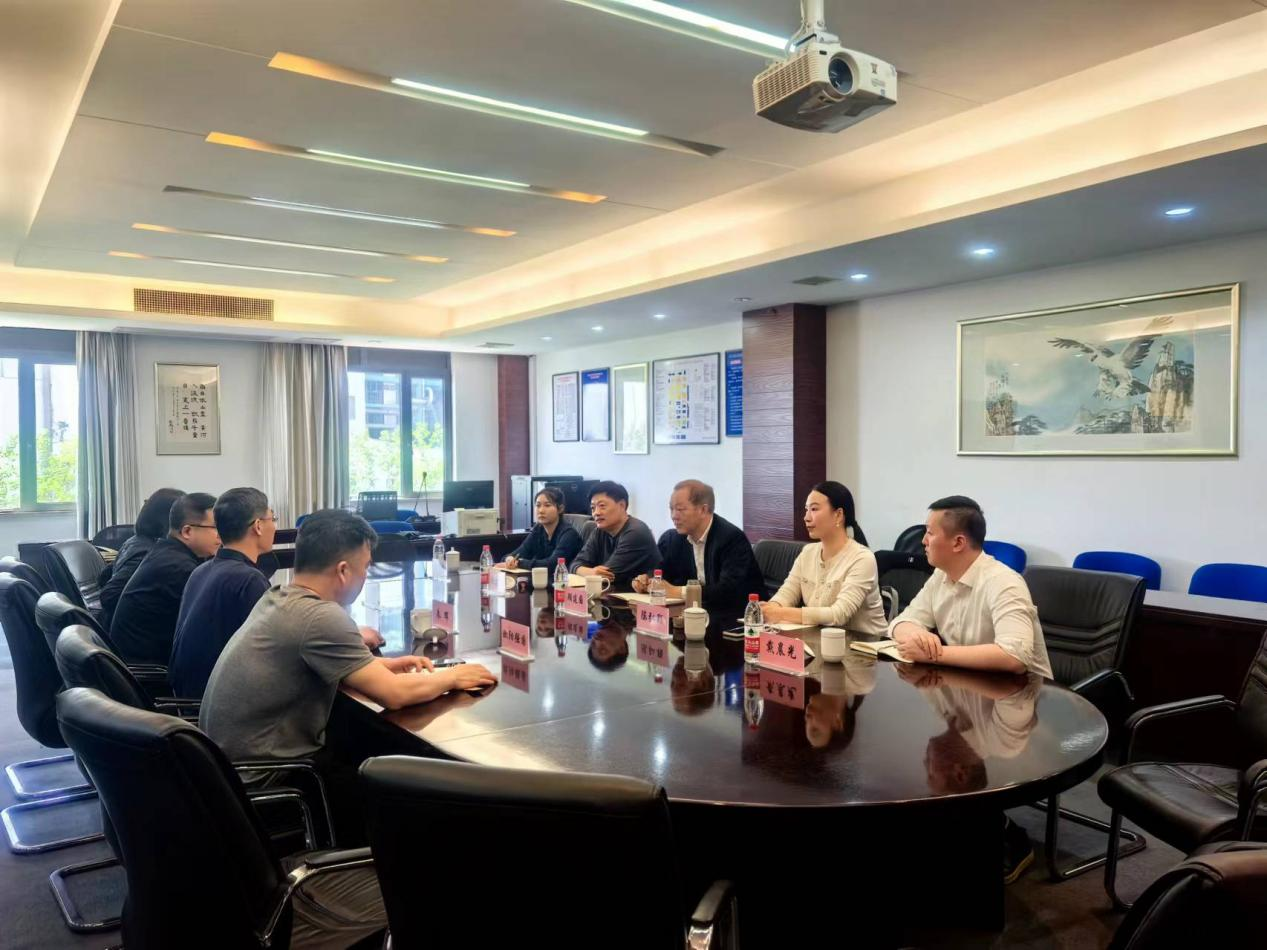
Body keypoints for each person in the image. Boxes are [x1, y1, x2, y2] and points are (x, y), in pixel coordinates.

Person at [199, 509, 496, 842]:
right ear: (343, 570)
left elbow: (323, 666)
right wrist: (453, 677)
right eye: (365, 567)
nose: (366, 575)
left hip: (225, 779)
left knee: (361, 745)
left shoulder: (280, 596)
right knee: (401, 794)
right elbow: (394, 696)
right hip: (270, 783)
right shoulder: (319, 616)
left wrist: (383, 666)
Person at [898, 663, 1041, 882]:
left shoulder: (947, 715)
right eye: (931, 773)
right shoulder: (998, 741)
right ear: (960, 773)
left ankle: (1004, 833)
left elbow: (1016, 685)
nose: (925, 762)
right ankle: (1001, 828)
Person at [889, 496, 1052, 677]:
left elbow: (1014, 656)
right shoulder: (941, 575)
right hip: (969, 682)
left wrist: (933, 655)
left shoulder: (1004, 582)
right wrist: (915, 635)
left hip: (1023, 689)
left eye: (930, 533)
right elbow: (900, 623)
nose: (923, 541)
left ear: (958, 543)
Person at [168, 488, 276, 698]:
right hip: (221, 703)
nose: (275, 526)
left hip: (188, 696)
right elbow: (269, 651)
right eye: (273, 519)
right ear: (258, 526)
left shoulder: (201, 570)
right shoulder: (249, 580)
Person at [761, 481, 888, 634]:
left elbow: (839, 614)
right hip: (821, 640)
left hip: (866, 645)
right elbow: (787, 593)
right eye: (806, 510)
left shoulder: (862, 558)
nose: (806, 517)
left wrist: (780, 613)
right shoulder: (807, 552)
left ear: (838, 515)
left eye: (814, 509)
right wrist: (771, 608)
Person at [110, 492, 220, 665]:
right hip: (148, 671)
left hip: (138, 662)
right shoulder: (178, 568)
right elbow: (208, 626)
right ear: (187, 531)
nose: (220, 535)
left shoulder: (167, 552)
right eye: (215, 527)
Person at [632, 479, 765, 615]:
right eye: (671, 509)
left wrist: (678, 591)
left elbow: (728, 590)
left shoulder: (731, 538)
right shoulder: (673, 538)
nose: (674, 516)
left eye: (680, 509)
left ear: (703, 510)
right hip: (694, 613)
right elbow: (661, 571)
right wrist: (647, 580)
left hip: (738, 616)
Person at [98, 487, 184, 627]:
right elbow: (110, 594)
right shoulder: (146, 552)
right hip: (124, 630)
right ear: (169, 518)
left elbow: (105, 575)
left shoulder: (136, 541)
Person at [570, 480, 660, 591]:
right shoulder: (599, 531)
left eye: (602, 506)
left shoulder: (636, 532)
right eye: (593, 508)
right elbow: (574, 564)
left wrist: (588, 572)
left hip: (641, 598)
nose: (596, 513)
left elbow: (608, 576)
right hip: (612, 594)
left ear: (622, 505)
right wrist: (591, 572)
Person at [499, 486, 583, 571]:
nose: (541, 510)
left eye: (547, 505)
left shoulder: (569, 534)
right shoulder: (538, 529)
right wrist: (509, 559)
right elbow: (520, 552)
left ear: (560, 509)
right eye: (538, 505)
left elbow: (552, 565)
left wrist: (519, 563)